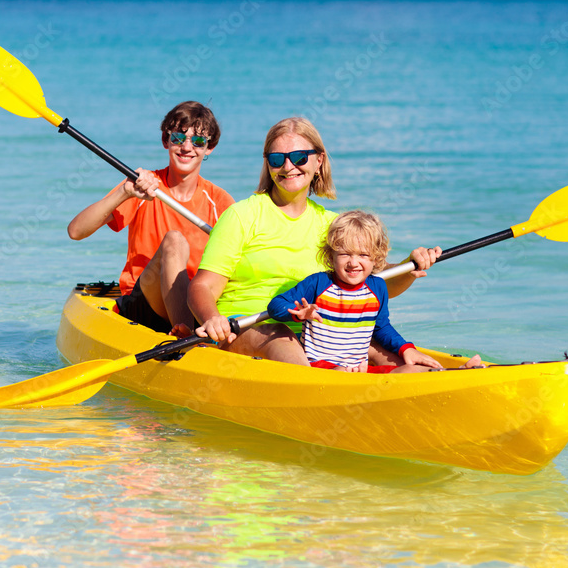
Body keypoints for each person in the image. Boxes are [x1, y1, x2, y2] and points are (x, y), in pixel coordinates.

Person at [187, 117, 442, 369]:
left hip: (322, 333)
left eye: (299, 157)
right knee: (281, 334)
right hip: (246, 328)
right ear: (268, 164)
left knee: (388, 351)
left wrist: (410, 267)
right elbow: (203, 287)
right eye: (277, 159)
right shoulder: (241, 216)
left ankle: (437, 376)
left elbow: (373, 284)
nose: (288, 167)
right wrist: (212, 319)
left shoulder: (332, 224)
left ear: (318, 160)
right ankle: (323, 388)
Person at [68, 101, 234, 333]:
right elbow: (76, 231)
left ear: (209, 148)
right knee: (174, 240)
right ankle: (185, 335)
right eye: (178, 138)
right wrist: (123, 193)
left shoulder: (221, 202)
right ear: (166, 141)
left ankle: (195, 333)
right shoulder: (144, 186)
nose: (187, 147)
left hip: (197, 304)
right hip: (144, 304)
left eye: (198, 141)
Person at [267, 210, 485, 373]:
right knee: (341, 373)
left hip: (359, 368)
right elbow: (275, 305)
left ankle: (458, 372)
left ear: (376, 257)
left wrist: (406, 349)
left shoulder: (377, 287)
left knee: (411, 369)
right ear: (331, 256)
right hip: (321, 368)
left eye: (363, 255)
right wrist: (297, 312)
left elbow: (381, 328)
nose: (354, 262)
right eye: (345, 254)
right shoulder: (318, 283)